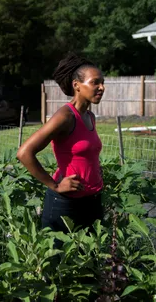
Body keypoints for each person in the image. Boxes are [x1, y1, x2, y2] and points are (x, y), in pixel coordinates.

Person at [17, 52, 105, 236]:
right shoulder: (65, 116)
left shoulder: (89, 116)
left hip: (92, 203)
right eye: (95, 82)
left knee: (92, 262)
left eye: (102, 82)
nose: (101, 87)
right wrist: (55, 185)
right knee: (59, 263)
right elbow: (25, 153)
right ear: (76, 85)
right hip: (66, 206)